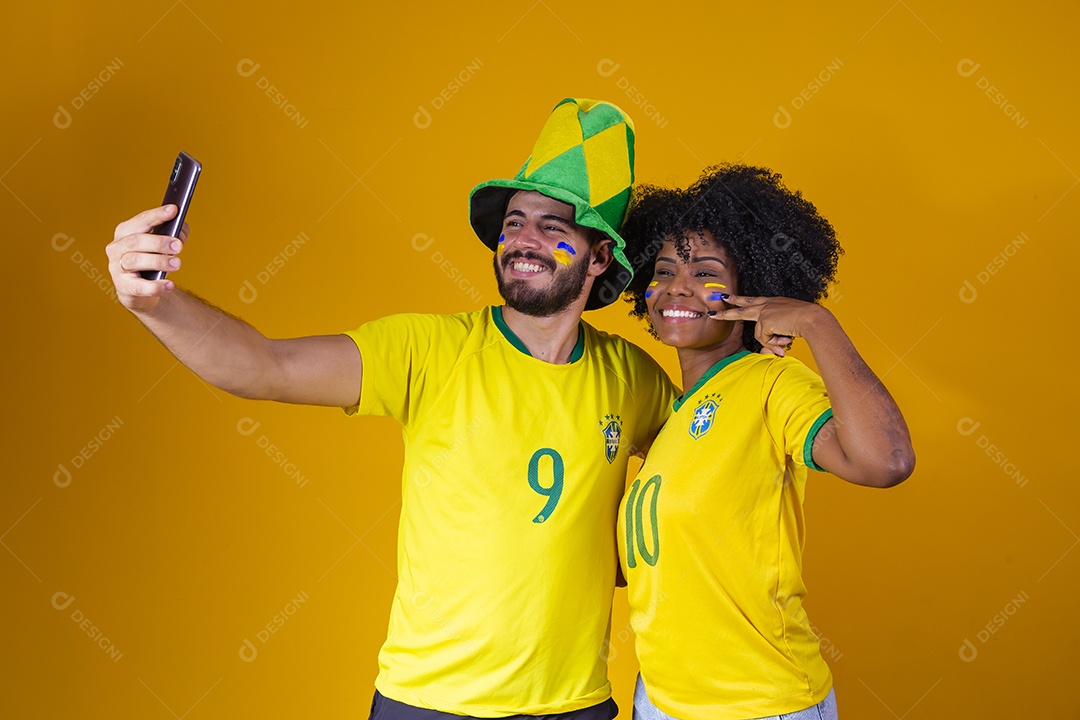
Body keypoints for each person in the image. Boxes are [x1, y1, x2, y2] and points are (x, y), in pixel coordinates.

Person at [106, 98, 677, 719]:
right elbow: (266, 367)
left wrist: (762, 334)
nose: (523, 241)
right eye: (514, 222)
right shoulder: (428, 348)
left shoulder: (632, 378)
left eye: (553, 227)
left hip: (576, 707)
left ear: (598, 258)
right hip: (429, 704)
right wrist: (154, 304)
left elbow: (715, 456)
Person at [616, 164, 915, 720]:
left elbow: (886, 461)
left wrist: (815, 322)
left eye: (706, 272)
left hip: (756, 703)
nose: (678, 287)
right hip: (660, 701)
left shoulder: (772, 383)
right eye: (663, 270)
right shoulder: (670, 416)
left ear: (754, 286)